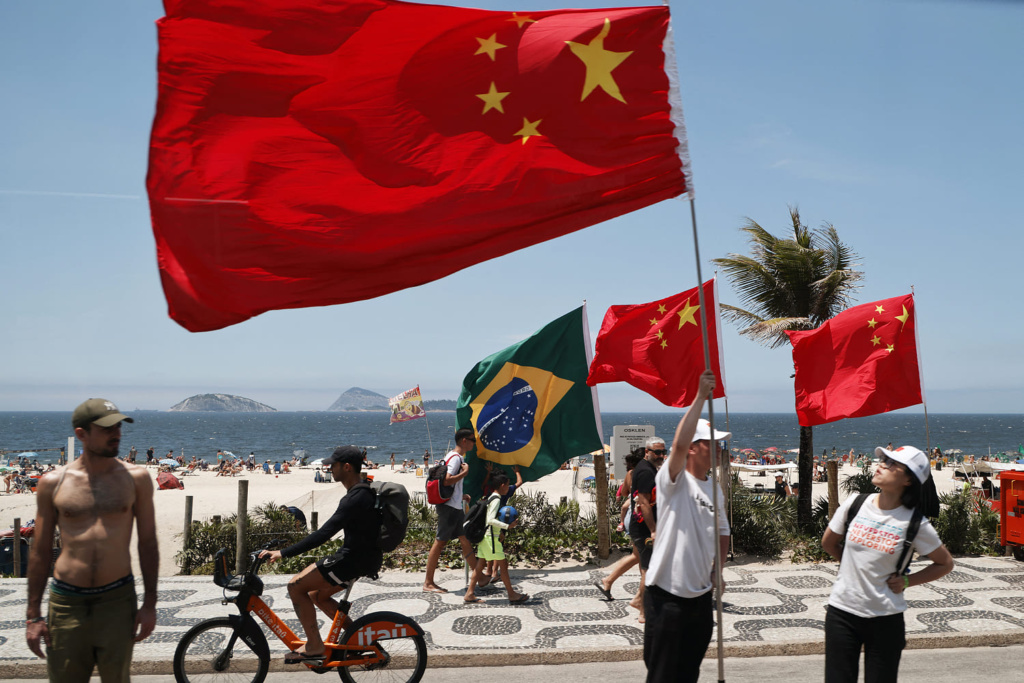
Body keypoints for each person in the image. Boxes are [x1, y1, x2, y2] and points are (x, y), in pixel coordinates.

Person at [26, 399, 158, 683]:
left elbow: (148, 542)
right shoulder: (53, 483)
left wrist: (149, 604)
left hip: (117, 601)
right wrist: (33, 615)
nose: (117, 433)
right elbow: (40, 550)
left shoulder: (136, 478)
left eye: (118, 426)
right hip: (67, 603)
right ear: (81, 433)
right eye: (107, 428)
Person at [821, 445, 953, 683]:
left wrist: (907, 581)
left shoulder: (915, 523)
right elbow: (829, 543)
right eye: (883, 459)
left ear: (909, 479)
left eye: (892, 463)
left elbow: (945, 564)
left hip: (885, 618)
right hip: (842, 613)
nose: (882, 464)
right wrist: (852, 565)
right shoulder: (855, 504)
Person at [644, 371, 730, 683]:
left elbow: (722, 531)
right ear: (694, 448)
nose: (719, 449)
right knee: (663, 675)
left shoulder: (714, 488)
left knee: (688, 674)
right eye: (711, 443)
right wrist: (699, 397)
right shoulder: (674, 481)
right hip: (667, 597)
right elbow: (678, 445)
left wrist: (717, 569)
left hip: (701, 598)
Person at [260, 446, 381, 663]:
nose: (329, 468)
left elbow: (324, 534)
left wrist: (283, 553)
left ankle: (314, 645)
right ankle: (360, 640)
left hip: (353, 560)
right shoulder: (362, 491)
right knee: (317, 595)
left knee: (295, 586)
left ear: (346, 467)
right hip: (361, 558)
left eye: (333, 465)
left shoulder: (355, 498)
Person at [422, 428, 477, 593]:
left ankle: (479, 577)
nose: (474, 443)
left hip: (453, 505)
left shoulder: (451, 456)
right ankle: (428, 583)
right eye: (472, 440)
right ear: (464, 441)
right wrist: (465, 473)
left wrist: (460, 495)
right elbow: (446, 481)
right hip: (449, 508)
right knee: (440, 542)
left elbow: (449, 484)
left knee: (464, 539)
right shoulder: (457, 458)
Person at [464, 472, 528, 604]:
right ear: (502, 485)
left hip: (486, 537)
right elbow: (490, 520)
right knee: (503, 565)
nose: (508, 488)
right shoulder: (497, 499)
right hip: (491, 539)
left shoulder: (491, 497)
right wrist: (507, 526)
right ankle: (512, 594)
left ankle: (470, 593)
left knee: (479, 566)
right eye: (508, 485)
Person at [594, 448, 645, 601]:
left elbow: (623, 493)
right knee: (640, 555)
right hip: (640, 516)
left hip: (630, 515)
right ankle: (642, 594)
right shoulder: (646, 473)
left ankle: (641, 592)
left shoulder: (630, 473)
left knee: (640, 555)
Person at [628, 436, 666, 623]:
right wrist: (653, 530)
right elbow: (643, 503)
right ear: (647, 452)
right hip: (644, 528)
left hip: (643, 526)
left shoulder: (649, 469)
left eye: (663, 452)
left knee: (647, 566)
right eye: (657, 452)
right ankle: (643, 612)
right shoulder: (645, 472)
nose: (661, 455)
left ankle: (638, 600)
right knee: (647, 569)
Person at [480, 462, 523, 586]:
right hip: (501, 521)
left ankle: (488, 571)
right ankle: (494, 573)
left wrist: (488, 472)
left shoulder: (488, 490)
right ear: (502, 484)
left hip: (487, 526)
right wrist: (517, 471)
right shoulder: (504, 492)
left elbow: (483, 485)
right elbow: (519, 482)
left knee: (491, 548)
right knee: (498, 547)